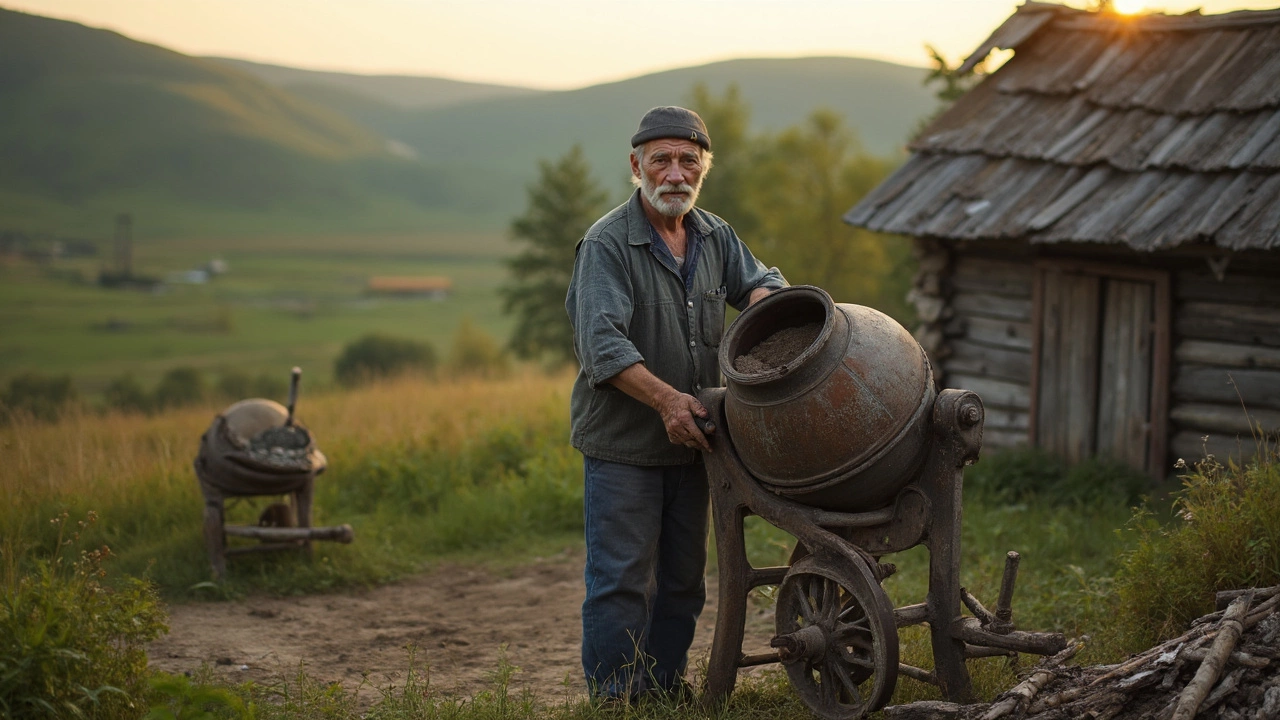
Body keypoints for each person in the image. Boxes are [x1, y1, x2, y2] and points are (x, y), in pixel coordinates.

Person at [565, 106, 787, 701]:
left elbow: (763, 283)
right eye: (660, 159)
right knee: (622, 581)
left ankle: (662, 691)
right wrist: (666, 401)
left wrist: (764, 297)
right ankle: (618, 701)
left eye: (689, 160)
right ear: (636, 166)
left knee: (684, 582)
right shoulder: (608, 243)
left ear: (703, 170)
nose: (674, 173)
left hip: (695, 443)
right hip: (625, 446)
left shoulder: (715, 235)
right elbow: (601, 346)